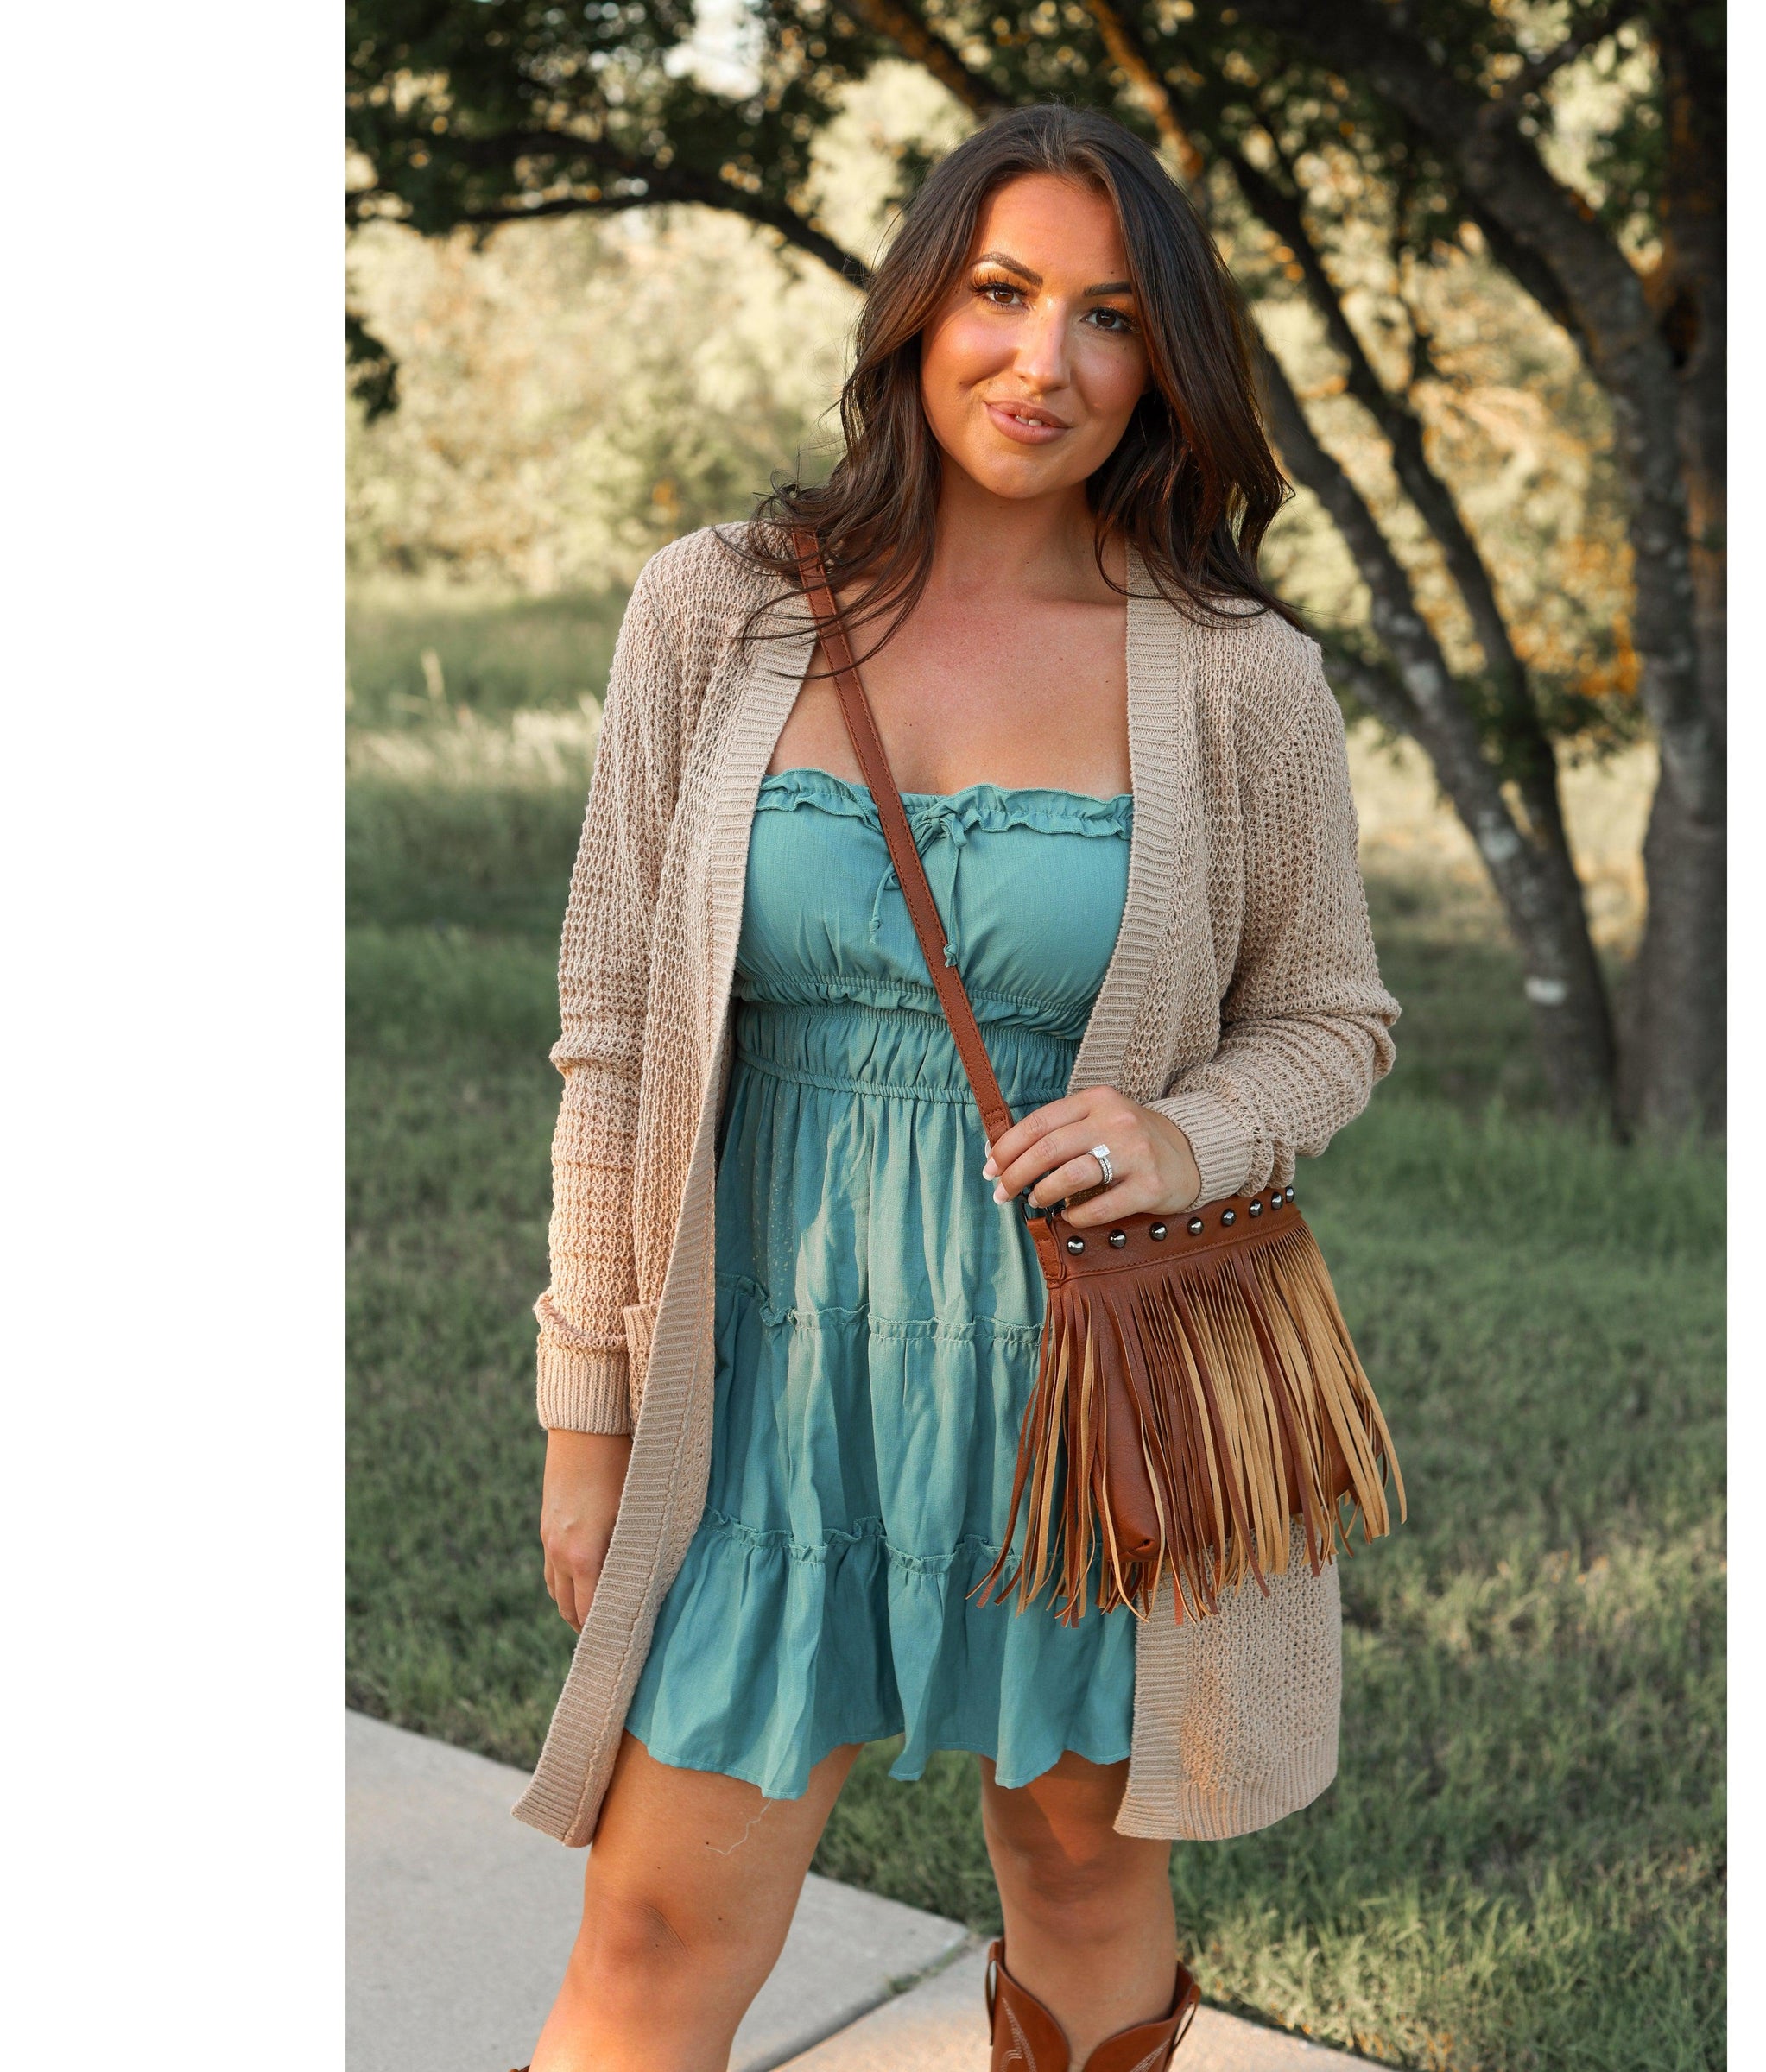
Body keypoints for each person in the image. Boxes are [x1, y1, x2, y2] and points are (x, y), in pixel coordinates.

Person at [515, 104, 1400, 2072]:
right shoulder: (720, 607)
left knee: (1080, 1887)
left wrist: (1186, 1131)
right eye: (1002, 292)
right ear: (920, 308)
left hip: (1077, 1390)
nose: (1043, 360)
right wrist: (587, 1410)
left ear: (1162, 361)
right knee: (653, 1924)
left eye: (1108, 317)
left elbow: (1332, 1018)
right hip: (760, 1379)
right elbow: (616, 1033)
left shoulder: (1238, 676)